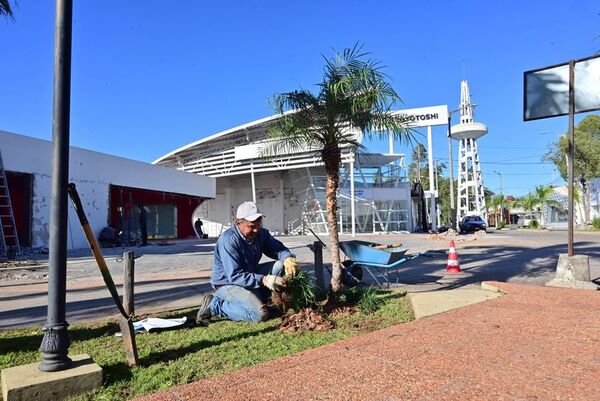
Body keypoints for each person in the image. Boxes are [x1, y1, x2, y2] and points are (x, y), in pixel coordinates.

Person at [196, 201, 300, 323]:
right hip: (227, 283)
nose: (256, 230)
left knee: (280, 266)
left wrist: (287, 258)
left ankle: (266, 300)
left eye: (258, 224)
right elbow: (235, 275)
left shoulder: (261, 233)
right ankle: (214, 305)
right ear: (238, 222)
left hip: (249, 275)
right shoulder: (228, 241)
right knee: (260, 314)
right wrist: (264, 279)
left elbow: (277, 249)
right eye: (252, 226)